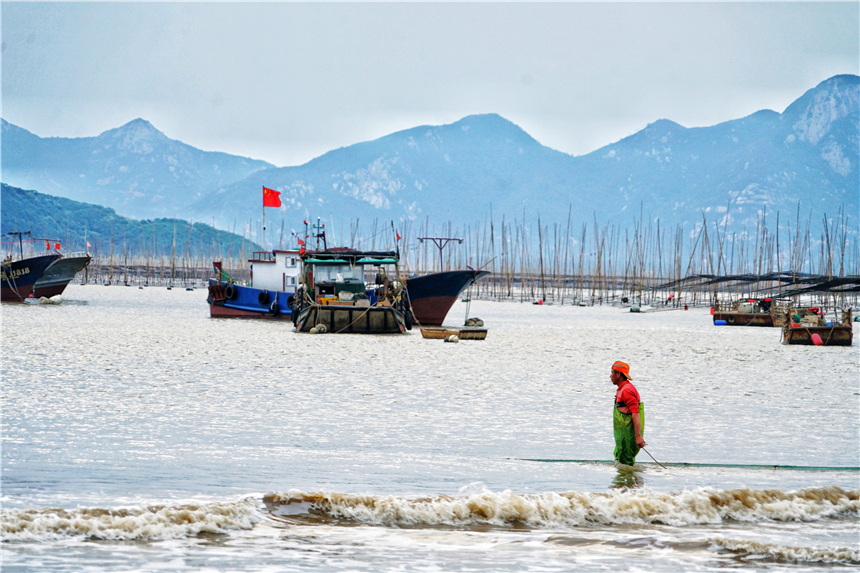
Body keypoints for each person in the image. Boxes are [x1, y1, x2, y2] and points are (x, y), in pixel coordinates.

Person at [611, 360, 645, 466]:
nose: (610, 376)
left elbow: (635, 413)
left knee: (626, 461)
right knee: (622, 461)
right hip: (622, 435)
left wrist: (638, 436)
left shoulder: (627, 391)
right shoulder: (622, 389)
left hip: (627, 435)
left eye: (612, 373)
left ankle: (628, 481)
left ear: (619, 374)